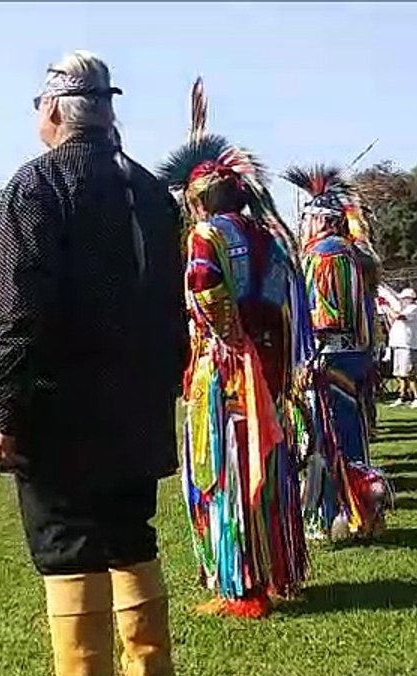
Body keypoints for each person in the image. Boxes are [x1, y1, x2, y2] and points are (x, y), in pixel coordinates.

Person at [0, 51, 186, 676]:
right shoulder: (152, 191)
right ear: (108, 110)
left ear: (50, 111)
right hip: (139, 403)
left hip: (63, 407)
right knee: (131, 535)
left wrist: (7, 412)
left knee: (69, 545)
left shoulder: (39, 185)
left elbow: (21, 312)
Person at [160, 127, 309, 620]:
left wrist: (226, 337)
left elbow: (204, 283)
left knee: (225, 470)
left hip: (227, 371)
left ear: (199, 201)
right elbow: (287, 301)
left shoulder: (207, 235)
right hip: (266, 368)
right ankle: (272, 571)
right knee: (262, 467)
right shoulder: (269, 237)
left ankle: (243, 589)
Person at [281, 165, 390, 542]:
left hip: (330, 360)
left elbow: (329, 315)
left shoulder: (327, 254)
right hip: (344, 358)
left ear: (320, 221)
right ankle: (356, 512)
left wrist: (294, 325)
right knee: (343, 437)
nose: (302, 227)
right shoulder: (345, 252)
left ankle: (341, 514)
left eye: (305, 219)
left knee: (330, 439)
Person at [386, 288, 417, 407]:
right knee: (399, 374)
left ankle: (416, 398)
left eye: (404, 298)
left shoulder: (414, 309)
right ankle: (402, 396)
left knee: (410, 374)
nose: (402, 300)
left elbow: (399, 317)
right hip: (398, 345)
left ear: (410, 299)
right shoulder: (405, 309)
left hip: (407, 345)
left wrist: (386, 307)